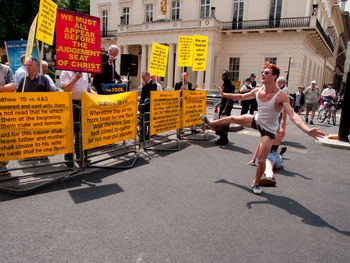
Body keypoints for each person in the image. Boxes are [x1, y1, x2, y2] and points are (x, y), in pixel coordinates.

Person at [200, 62, 325, 195]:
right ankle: (211, 123)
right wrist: (225, 95)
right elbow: (242, 96)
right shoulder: (258, 90)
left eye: (266, 72)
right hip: (257, 120)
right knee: (233, 118)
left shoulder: (281, 96)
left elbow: (293, 115)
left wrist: (307, 130)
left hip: (269, 130)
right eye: (262, 72)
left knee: (261, 159)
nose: (263, 74)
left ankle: (255, 182)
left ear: (274, 76)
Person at [60, 70, 94, 167]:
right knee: (71, 132)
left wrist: (93, 93)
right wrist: (75, 78)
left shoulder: (85, 73)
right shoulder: (65, 72)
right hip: (71, 104)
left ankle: (81, 158)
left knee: (82, 132)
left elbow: (87, 88)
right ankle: (69, 159)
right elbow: (66, 89)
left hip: (83, 103)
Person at [248, 109, 288, 186]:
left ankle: (270, 178)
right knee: (275, 158)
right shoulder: (281, 133)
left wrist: (253, 159)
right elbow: (284, 120)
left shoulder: (267, 133)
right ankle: (280, 154)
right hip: (278, 160)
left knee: (268, 168)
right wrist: (285, 111)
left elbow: (259, 147)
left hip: (268, 156)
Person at [0, 62, 16, 177]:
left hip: (3, 112)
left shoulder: (6, 70)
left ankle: (2, 165)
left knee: (4, 140)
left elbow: (13, 86)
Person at [215, 70, 235, 145]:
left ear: (229, 76)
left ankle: (223, 139)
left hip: (227, 107)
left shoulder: (230, 85)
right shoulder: (224, 84)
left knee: (224, 123)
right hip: (223, 105)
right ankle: (223, 138)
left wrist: (225, 109)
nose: (224, 77)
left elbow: (230, 98)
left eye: (225, 75)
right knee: (223, 123)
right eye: (223, 75)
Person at [140, 71, 157, 139]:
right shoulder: (146, 83)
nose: (143, 79)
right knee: (142, 121)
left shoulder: (153, 83)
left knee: (147, 121)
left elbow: (149, 93)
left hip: (149, 106)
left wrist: (144, 86)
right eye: (142, 77)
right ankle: (142, 135)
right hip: (144, 105)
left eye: (144, 77)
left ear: (147, 76)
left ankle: (148, 134)